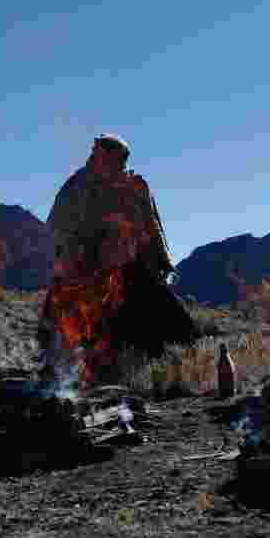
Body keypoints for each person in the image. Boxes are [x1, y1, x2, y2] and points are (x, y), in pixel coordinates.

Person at [38, 134, 197, 387]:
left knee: (163, 323)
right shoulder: (77, 185)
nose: (92, 158)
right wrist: (72, 254)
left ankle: (176, 372)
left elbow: (152, 224)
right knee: (70, 322)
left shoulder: (135, 186)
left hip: (131, 268)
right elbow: (56, 228)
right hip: (85, 269)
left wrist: (163, 259)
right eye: (93, 152)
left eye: (100, 153)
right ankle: (64, 374)